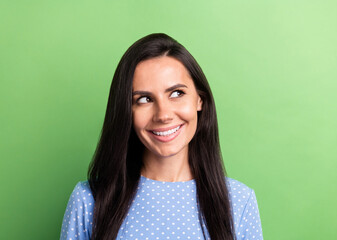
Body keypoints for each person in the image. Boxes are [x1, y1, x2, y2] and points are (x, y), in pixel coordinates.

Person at [60, 33, 263, 240]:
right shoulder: (88, 201)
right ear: (126, 112)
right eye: (144, 99)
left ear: (199, 100)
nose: (163, 115)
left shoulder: (239, 202)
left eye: (176, 93)